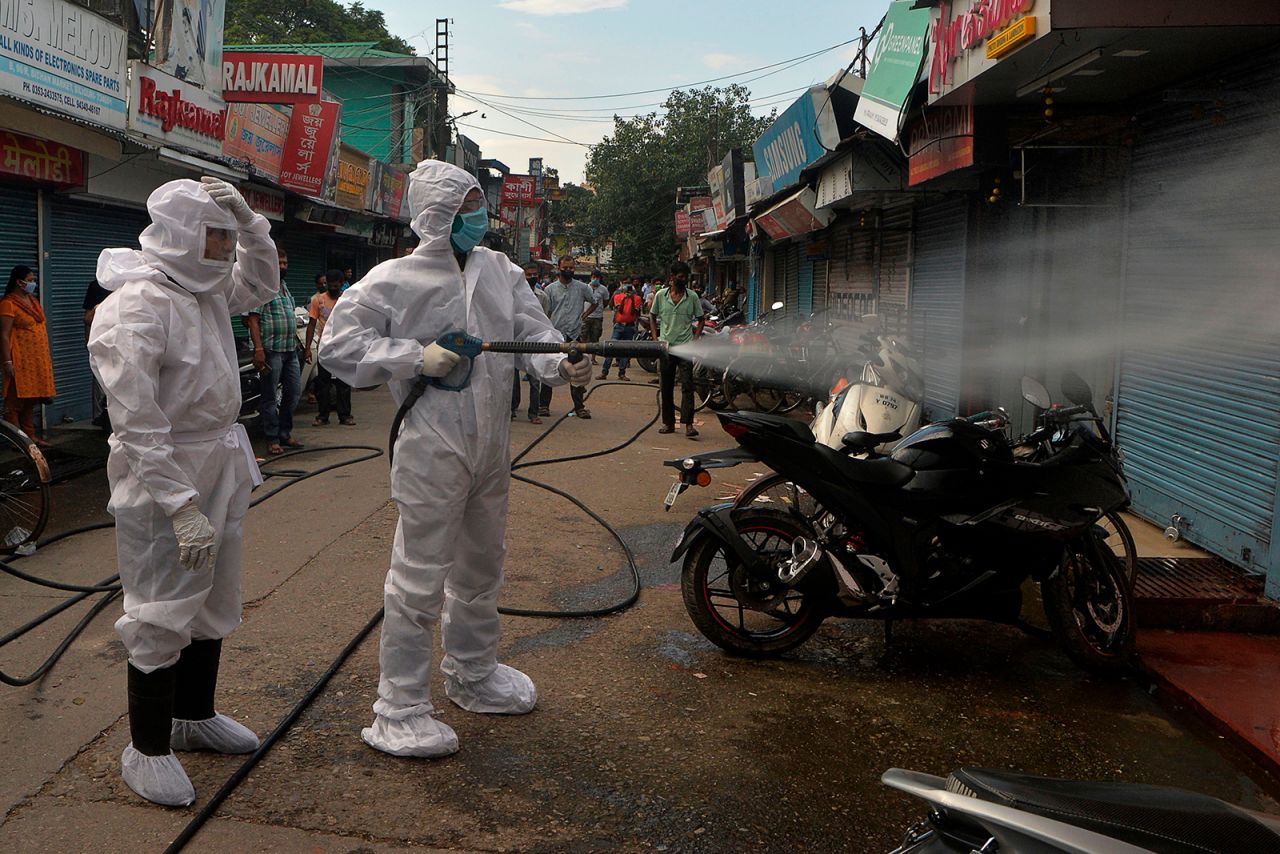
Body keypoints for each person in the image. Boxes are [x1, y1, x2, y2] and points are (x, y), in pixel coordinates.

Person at [320, 159, 590, 759]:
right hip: (432, 445)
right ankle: (400, 706)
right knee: (419, 577)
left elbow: (532, 331)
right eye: (468, 205)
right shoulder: (392, 279)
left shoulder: (500, 269)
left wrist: (560, 364)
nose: (480, 215)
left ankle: (472, 672)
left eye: (479, 203)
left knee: (481, 566)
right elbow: (337, 347)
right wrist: (417, 357)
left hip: (491, 445)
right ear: (437, 216)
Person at [87, 177, 280, 807]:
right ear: (181, 236)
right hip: (162, 472)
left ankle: (194, 716)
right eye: (216, 237)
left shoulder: (204, 290)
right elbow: (136, 420)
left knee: (212, 597)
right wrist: (177, 502)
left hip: (219, 458)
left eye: (227, 239)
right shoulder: (137, 305)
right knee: (161, 605)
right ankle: (146, 750)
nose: (225, 251)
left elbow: (263, 284)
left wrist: (252, 224)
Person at [245, 249, 303, 455]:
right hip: (272, 351)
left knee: (293, 393)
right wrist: (258, 349)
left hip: (290, 350)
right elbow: (252, 320)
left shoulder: (285, 288)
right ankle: (272, 438)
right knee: (269, 396)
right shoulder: (263, 288)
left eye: (285, 263)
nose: (283, 267)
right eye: (279, 263)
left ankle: (285, 433)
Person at [0, 266, 55, 446]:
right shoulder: (8, 303)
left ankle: (30, 437)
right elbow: (3, 334)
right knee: (14, 404)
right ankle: (20, 442)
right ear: (19, 282)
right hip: (19, 360)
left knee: (30, 400)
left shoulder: (32, 301)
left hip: (34, 361)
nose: (33, 283)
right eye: (30, 280)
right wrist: (7, 361)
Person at [651, 261, 704, 437]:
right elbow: (652, 316)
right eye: (681, 277)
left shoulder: (692, 297)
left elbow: (701, 319)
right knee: (666, 387)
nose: (684, 280)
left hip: (686, 347)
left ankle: (688, 424)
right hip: (666, 347)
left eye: (686, 277)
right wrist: (655, 339)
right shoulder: (660, 296)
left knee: (688, 385)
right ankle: (668, 423)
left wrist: (695, 339)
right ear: (672, 277)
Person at [539, 256, 595, 419]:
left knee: (577, 373)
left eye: (572, 267)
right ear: (559, 267)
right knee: (549, 370)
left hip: (574, 336)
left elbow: (595, 301)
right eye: (566, 267)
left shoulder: (582, 288)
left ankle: (579, 407)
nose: (569, 270)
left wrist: (584, 316)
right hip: (555, 336)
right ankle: (544, 406)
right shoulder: (550, 289)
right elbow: (546, 312)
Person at [306, 269, 354, 426]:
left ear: (341, 284)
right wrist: (307, 348)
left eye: (336, 286)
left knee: (343, 382)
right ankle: (322, 416)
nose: (333, 289)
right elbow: (312, 324)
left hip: (342, 347)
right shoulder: (318, 301)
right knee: (323, 383)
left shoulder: (346, 300)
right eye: (330, 286)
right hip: (324, 348)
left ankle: (345, 415)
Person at [512, 264, 549, 423]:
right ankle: (512, 409)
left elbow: (546, 319)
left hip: (534, 342)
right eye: (528, 274)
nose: (531, 277)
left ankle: (534, 413)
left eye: (534, 274)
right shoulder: (511, 294)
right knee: (513, 380)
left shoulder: (542, 297)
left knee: (535, 380)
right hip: (514, 341)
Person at [598, 279, 642, 381]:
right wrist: (624, 300)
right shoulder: (618, 297)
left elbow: (633, 313)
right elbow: (619, 311)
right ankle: (604, 372)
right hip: (619, 325)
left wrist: (630, 299)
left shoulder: (637, 298)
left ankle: (622, 373)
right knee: (611, 348)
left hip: (630, 326)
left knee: (626, 351)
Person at [84, 279, 113, 429]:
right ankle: (102, 415)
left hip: (117, 341)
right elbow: (87, 318)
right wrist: (89, 342)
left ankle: (107, 415)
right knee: (100, 379)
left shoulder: (130, 285)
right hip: (102, 340)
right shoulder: (96, 286)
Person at [581, 270, 609, 365]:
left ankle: (593, 358)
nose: (595, 279)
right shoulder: (585, 288)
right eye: (594, 277)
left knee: (595, 337)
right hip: (585, 316)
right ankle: (583, 357)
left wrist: (600, 309)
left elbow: (605, 302)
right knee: (583, 336)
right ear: (590, 278)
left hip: (597, 317)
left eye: (597, 277)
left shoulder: (603, 289)